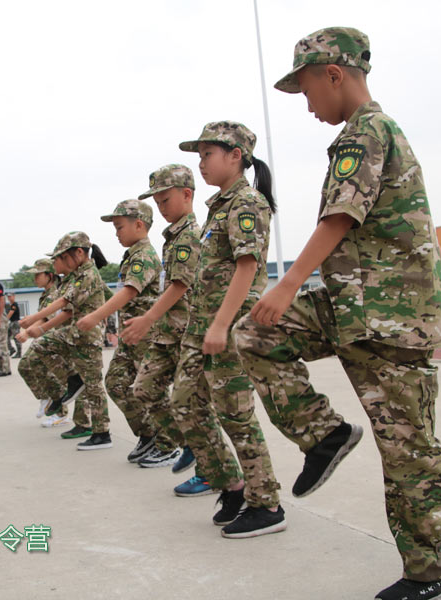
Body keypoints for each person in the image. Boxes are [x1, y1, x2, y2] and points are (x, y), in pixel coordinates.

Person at [232, 27, 441, 600]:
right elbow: (411, 222)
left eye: (304, 90)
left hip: (388, 322)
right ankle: (324, 434)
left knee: (409, 453)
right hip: (353, 308)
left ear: (333, 74)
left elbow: (340, 217)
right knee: (254, 335)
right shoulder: (379, 133)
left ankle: (435, 576)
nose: (306, 104)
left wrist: (287, 282)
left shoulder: (365, 132)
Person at [172, 120, 286, 538]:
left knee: (236, 416)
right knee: (184, 402)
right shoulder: (218, 206)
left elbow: (248, 266)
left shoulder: (246, 203)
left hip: (228, 327)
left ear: (235, 156)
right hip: (201, 327)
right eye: (199, 156)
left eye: (207, 155)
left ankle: (267, 502)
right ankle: (233, 484)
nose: (200, 164)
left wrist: (221, 325)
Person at [77, 200, 177, 464]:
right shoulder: (132, 255)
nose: (116, 232)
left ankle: (170, 444)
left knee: (151, 390)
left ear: (139, 225)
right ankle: (148, 434)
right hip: (130, 336)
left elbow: (129, 291)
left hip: (146, 336)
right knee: (116, 383)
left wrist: (95, 316)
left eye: (119, 227)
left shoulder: (144, 256)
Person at [122, 164, 205, 474]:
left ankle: (205, 462)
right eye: (156, 203)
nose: (161, 208)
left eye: (165, 200)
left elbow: (180, 285)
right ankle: (187, 444)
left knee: (192, 401)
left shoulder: (189, 235)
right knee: (143, 387)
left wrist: (146, 318)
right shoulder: (173, 236)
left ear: (186, 195)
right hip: (167, 332)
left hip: (185, 332)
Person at [20, 232, 112, 449]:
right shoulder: (78, 276)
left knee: (94, 386)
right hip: (74, 334)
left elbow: (64, 302)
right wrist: (42, 328)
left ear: (79, 253)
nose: (56, 263)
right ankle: (72, 380)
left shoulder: (89, 274)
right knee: (42, 345)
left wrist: (35, 319)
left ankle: (102, 433)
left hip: (88, 337)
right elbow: (68, 311)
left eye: (60, 257)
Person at [17, 259, 91, 430]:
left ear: (49, 275)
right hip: (57, 336)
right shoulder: (50, 293)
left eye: (38, 274)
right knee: (32, 366)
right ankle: (53, 400)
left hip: (66, 336)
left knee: (76, 379)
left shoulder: (58, 291)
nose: (35, 278)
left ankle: (63, 410)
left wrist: (28, 331)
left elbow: (47, 318)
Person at [7, 293, 23, 358]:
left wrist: (5, 320)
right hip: (11, 323)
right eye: (8, 297)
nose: (9, 298)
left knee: (17, 338)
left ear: (14, 297)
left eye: (10, 296)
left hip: (15, 323)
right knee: (6, 337)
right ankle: (11, 349)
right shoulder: (10, 305)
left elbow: (11, 313)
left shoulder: (14, 305)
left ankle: (19, 353)